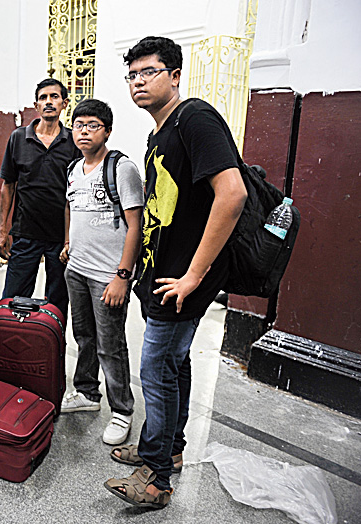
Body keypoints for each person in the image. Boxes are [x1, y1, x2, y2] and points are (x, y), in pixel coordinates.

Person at [104, 37, 247, 509]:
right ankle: (172, 449)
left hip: (183, 280)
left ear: (174, 75)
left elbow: (233, 194)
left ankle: (156, 477)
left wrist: (192, 277)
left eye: (149, 71)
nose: (139, 81)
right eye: (132, 74)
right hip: (161, 275)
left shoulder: (195, 118)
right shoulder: (159, 132)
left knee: (156, 366)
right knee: (174, 363)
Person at [58, 99, 143, 448]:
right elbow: (70, 208)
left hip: (108, 275)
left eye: (92, 125)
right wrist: (67, 242)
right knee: (85, 337)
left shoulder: (121, 168)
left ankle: (122, 410)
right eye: (78, 125)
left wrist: (123, 275)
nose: (84, 132)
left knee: (111, 345)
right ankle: (87, 393)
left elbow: (136, 224)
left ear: (107, 130)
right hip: (76, 270)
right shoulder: (74, 168)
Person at [0, 78, 80, 319]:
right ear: (36, 104)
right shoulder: (18, 138)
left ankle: (52, 353)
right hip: (25, 233)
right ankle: (13, 351)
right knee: (11, 302)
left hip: (60, 238)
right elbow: (8, 186)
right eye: (43, 98)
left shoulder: (73, 141)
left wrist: (70, 239)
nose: (48, 102)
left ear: (64, 103)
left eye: (54, 97)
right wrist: (3, 230)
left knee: (57, 307)